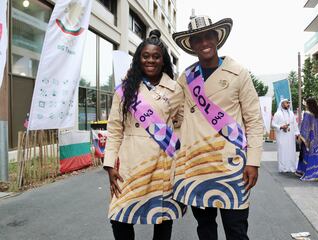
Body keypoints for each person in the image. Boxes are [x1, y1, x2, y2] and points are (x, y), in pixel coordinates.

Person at [172, 13, 263, 240]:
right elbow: (179, 118)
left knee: (236, 230)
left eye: (208, 37)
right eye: (198, 39)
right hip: (197, 165)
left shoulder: (238, 72)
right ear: (191, 45)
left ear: (217, 38)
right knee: (205, 230)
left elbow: (254, 120)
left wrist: (253, 161)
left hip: (231, 166)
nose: (204, 43)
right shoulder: (186, 77)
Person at [103, 30, 185, 240]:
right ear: (139, 59)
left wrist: (177, 150)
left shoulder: (175, 89)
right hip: (130, 161)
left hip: (163, 162)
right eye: (146, 56)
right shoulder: (126, 88)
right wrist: (110, 164)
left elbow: (181, 124)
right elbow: (114, 129)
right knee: (119, 213)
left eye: (156, 56)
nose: (151, 60)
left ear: (163, 60)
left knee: (162, 214)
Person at [272, 99, 300, 172]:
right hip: (281, 135)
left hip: (290, 135)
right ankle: (283, 168)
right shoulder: (277, 114)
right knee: (282, 151)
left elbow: (294, 124)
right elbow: (273, 124)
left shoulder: (291, 113)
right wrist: (281, 127)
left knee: (291, 151)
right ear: (282, 104)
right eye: (286, 103)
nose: (288, 104)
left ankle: (291, 167)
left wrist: (297, 133)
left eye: (289, 103)